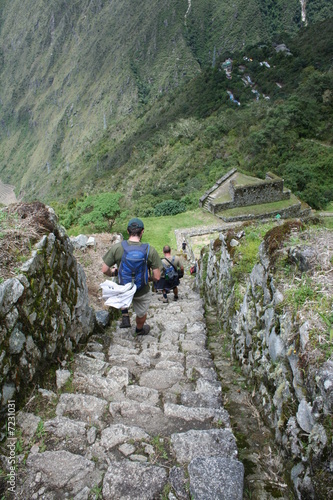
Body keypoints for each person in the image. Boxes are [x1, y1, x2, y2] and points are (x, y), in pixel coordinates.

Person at [101, 218, 162, 335]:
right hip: (141, 289)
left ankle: (125, 316)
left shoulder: (117, 248)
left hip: (123, 288)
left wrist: (114, 273)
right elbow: (157, 277)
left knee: (121, 290)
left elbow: (104, 269)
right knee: (141, 313)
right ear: (142, 231)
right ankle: (139, 329)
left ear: (128, 231)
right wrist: (148, 278)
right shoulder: (150, 250)